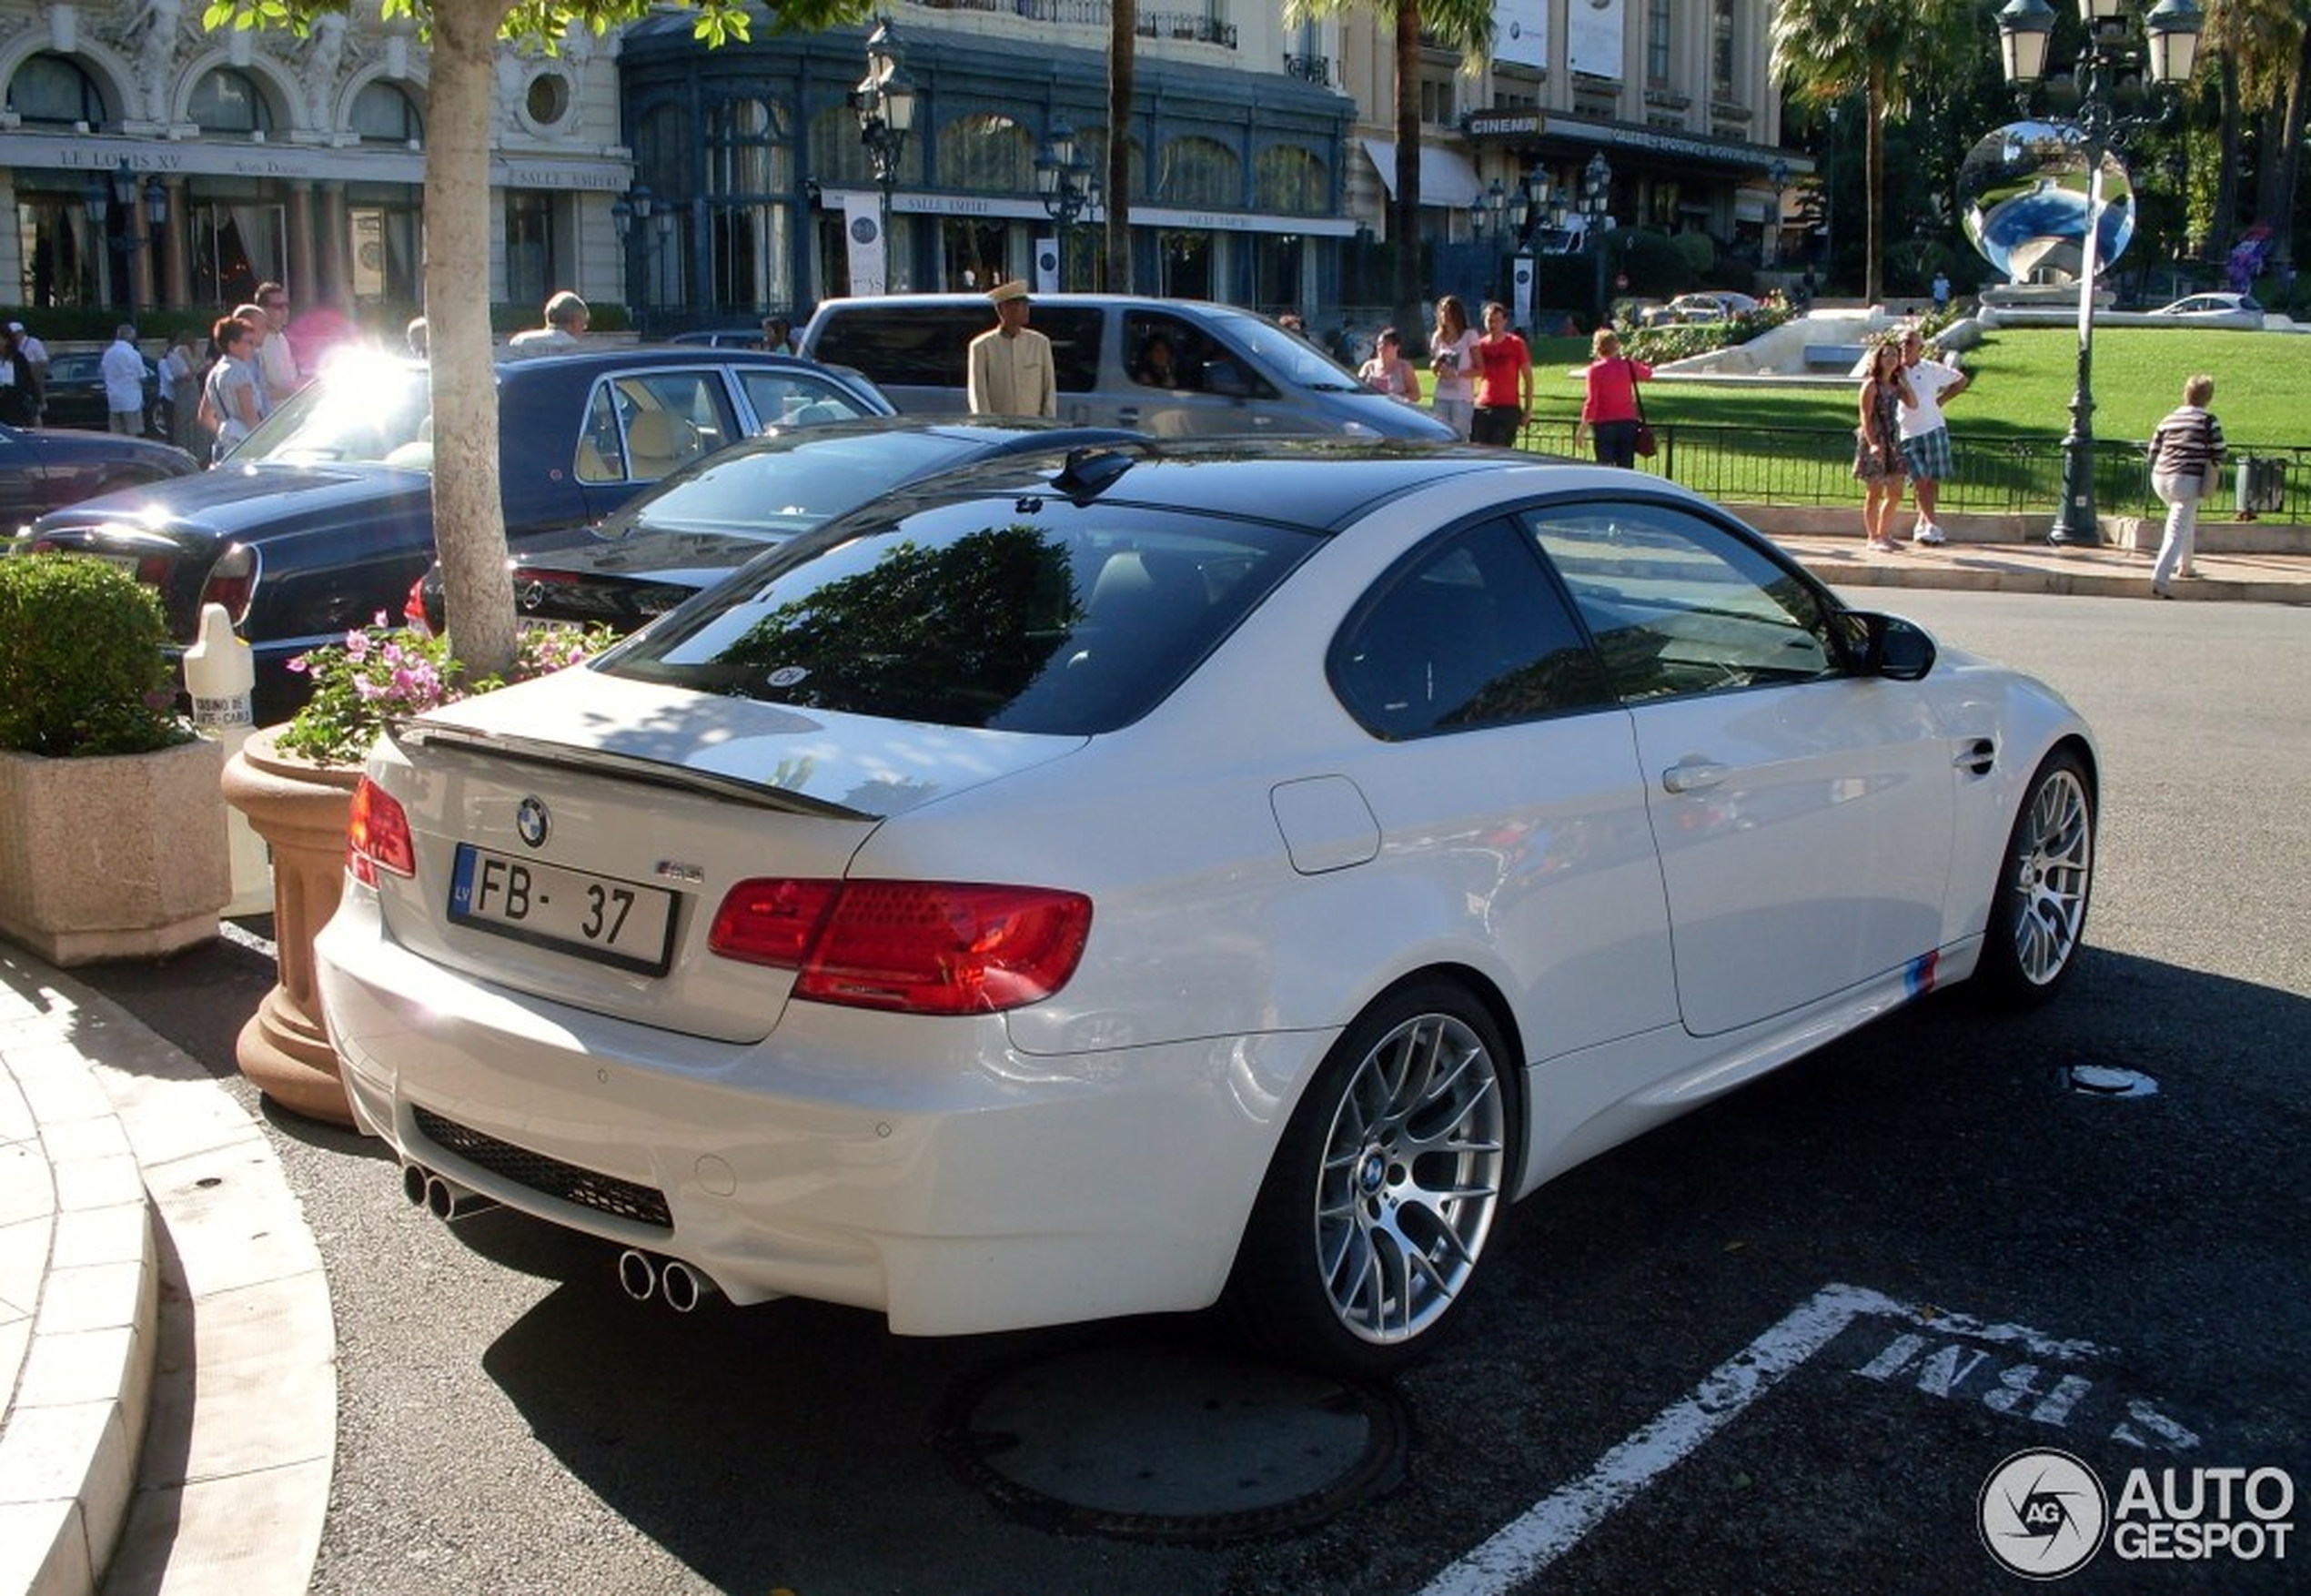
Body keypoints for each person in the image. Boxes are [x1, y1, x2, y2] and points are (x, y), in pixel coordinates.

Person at [2146, 373, 2225, 599]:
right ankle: (2160, 580)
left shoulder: (2169, 419)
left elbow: (2153, 451)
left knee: (2184, 520)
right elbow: (2220, 451)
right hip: (2187, 480)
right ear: (2209, 397)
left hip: (2160, 478)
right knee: (2176, 530)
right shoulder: (2208, 421)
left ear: (2185, 393)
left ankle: (2186, 566)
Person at [1896, 328, 1971, 545]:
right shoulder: (1895, 372)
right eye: (1902, 343)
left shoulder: (1930, 369)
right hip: (1908, 433)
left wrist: (1941, 400)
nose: (1904, 347)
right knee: (1920, 480)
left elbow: (1961, 381)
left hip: (1933, 428)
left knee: (1932, 480)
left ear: (1919, 347)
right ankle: (1932, 522)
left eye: (1909, 343)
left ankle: (1924, 523)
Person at [1853, 338, 1915, 552]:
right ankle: (1873, 536)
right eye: (1886, 355)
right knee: (1874, 491)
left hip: (1893, 440)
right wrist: (1873, 443)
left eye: (1894, 356)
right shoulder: (1871, 385)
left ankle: (1885, 533)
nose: (1890, 359)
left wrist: (1905, 380)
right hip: (1876, 439)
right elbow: (1865, 416)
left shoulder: (1895, 386)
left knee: (1895, 492)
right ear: (1879, 358)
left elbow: (1913, 404)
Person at [965, 280, 1055, 418]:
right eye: (1020, 304)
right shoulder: (982, 346)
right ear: (1003, 309)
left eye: (1027, 304)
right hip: (999, 431)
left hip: (1033, 429)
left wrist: (1048, 426)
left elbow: (1049, 391)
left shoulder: (1040, 343)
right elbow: (979, 396)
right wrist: (987, 429)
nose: (1026, 309)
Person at [1573, 327, 1654, 469]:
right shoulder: (1627, 365)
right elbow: (1647, 373)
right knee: (1626, 466)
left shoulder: (1595, 370)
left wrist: (1582, 429)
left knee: (1605, 467)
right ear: (1616, 346)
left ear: (1597, 348)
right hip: (1627, 423)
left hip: (1603, 424)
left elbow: (1592, 402)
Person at [1468, 300, 1533, 448]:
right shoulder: (1480, 345)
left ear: (1505, 321)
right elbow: (1471, 372)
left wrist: (1528, 409)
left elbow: (1528, 378)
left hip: (1508, 408)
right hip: (1483, 406)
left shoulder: (1516, 344)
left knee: (1499, 451)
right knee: (1479, 450)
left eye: (1497, 321)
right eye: (1490, 321)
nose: (1493, 325)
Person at [201, 314, 264, 462]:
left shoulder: (214, 373)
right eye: (248, 342)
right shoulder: (240, 372)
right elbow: (250, 417)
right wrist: (264, 443)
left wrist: (225, 430)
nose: (253, 347)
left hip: (222, 445)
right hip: (245, 448)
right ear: (232, 345)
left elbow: (204, 416)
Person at [1428, 295, 1478, 439]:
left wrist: (1457, 374)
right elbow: (1434, 365)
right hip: (1441, 395)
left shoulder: (1470, 335)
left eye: (1449, 311)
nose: (1446, 315)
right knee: (1440, 436)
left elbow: (1480, 369)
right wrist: (1435, 366)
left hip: (1461, 398)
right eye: (1442, 311)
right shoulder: (1438, 337)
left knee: (1459, 437)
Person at [252, 281, 301, 408]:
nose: (285, 311)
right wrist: (294, 391)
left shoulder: (282, 338)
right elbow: (256, 391)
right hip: (271, 420)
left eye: (286, 305)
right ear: (262, 309)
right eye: (278, 306)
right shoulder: (255, 342)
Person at [158, 328, 206, 454]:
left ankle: (186, 446)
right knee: (185, 422)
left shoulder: (172, 356)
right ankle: (186, 447)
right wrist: (202, 364)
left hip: (185, 391)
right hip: (186, 391)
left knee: (184, 422)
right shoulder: (180, 352)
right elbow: (189, 372)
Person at [100, 324, 148, 435]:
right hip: (131, 400)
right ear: (130, 336)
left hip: (114, 399)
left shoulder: (108, 353)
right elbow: (142, 376)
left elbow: (103, 372)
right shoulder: (133, 354)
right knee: (132, 432)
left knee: (116, 433)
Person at [1357, 328, 1423, 404]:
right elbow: (1357, 388)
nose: (1381, 347)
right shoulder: (1368, 366)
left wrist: (1395, 398)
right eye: (1379, 344)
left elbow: (1416, 395)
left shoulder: (1404, 367)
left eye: (1386, 344)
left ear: (1396, 347)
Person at [509, 290, 589, 352]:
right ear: (575, 322)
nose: (583, 330)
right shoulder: (575, 351)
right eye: (583, 325)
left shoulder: (518, 340)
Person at [6, 320, 48, 425]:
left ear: (21, 333)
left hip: (30, 379)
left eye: (15, 334)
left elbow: (43, 361)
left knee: (33, 412)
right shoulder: (12, 347)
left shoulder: (34, 343)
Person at [0, 323, 38, 429]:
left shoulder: (19, 359)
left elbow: (29, 383)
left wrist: (36, 406)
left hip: (16, 408)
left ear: (7, 340)